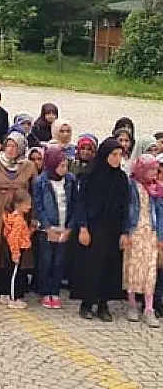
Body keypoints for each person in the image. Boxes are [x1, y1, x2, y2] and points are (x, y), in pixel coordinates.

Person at [76, 138, 130, 322]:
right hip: (95, 226)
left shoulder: (121, 178)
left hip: (113, 227)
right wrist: (83, 227)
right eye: (114, 155)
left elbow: (125, 206)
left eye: (120, 155)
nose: (117, 159)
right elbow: (81, 203)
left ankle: (103, 304)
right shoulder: (90, 174)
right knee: (93, 265)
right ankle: (87, 303)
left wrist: (124, 232)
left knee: (110, 265)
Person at [0, 132, 38, 304]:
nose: (11, 150)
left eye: (15, 146)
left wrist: (33, 216)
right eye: (9, 146)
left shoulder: (28, 165)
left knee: (16, 243)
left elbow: (34, 191)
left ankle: (15, 286)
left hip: (20, 209)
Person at [33, 146, 77, 311]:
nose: (64, 169)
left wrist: (70, 227)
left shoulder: (71, 180)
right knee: (46, 260)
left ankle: (55, 292)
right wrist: (47, 226)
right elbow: (38, 206)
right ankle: (45, 292)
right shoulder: (41, 181)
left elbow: (74, 204)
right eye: (61, 166)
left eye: (66, 165)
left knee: (59, 262)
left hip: (64, 226)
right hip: (48, 229)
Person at [122, 154, 163, 326]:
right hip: (135, 232)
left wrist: (160, 236)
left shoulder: (157, 188)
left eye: (156, 169)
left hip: (150, 233)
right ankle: (132, 303)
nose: (154, 173)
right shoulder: (131, 186)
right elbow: (126, 210)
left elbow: (160, 213)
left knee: (150, 270)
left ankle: (149, 307)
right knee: (132, 268)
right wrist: (125, 232)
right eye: (151, 169)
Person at [2, 190, 32, 309]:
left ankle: (6, 294)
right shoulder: (18, 220)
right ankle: (13, 298)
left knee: (10, 272)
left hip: (15, 248)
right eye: (27, 204)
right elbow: (14, 237)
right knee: (15, 274)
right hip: (17, 249)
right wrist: (15, 253)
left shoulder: (13, 217)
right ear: (18, 204)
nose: (30, 206)